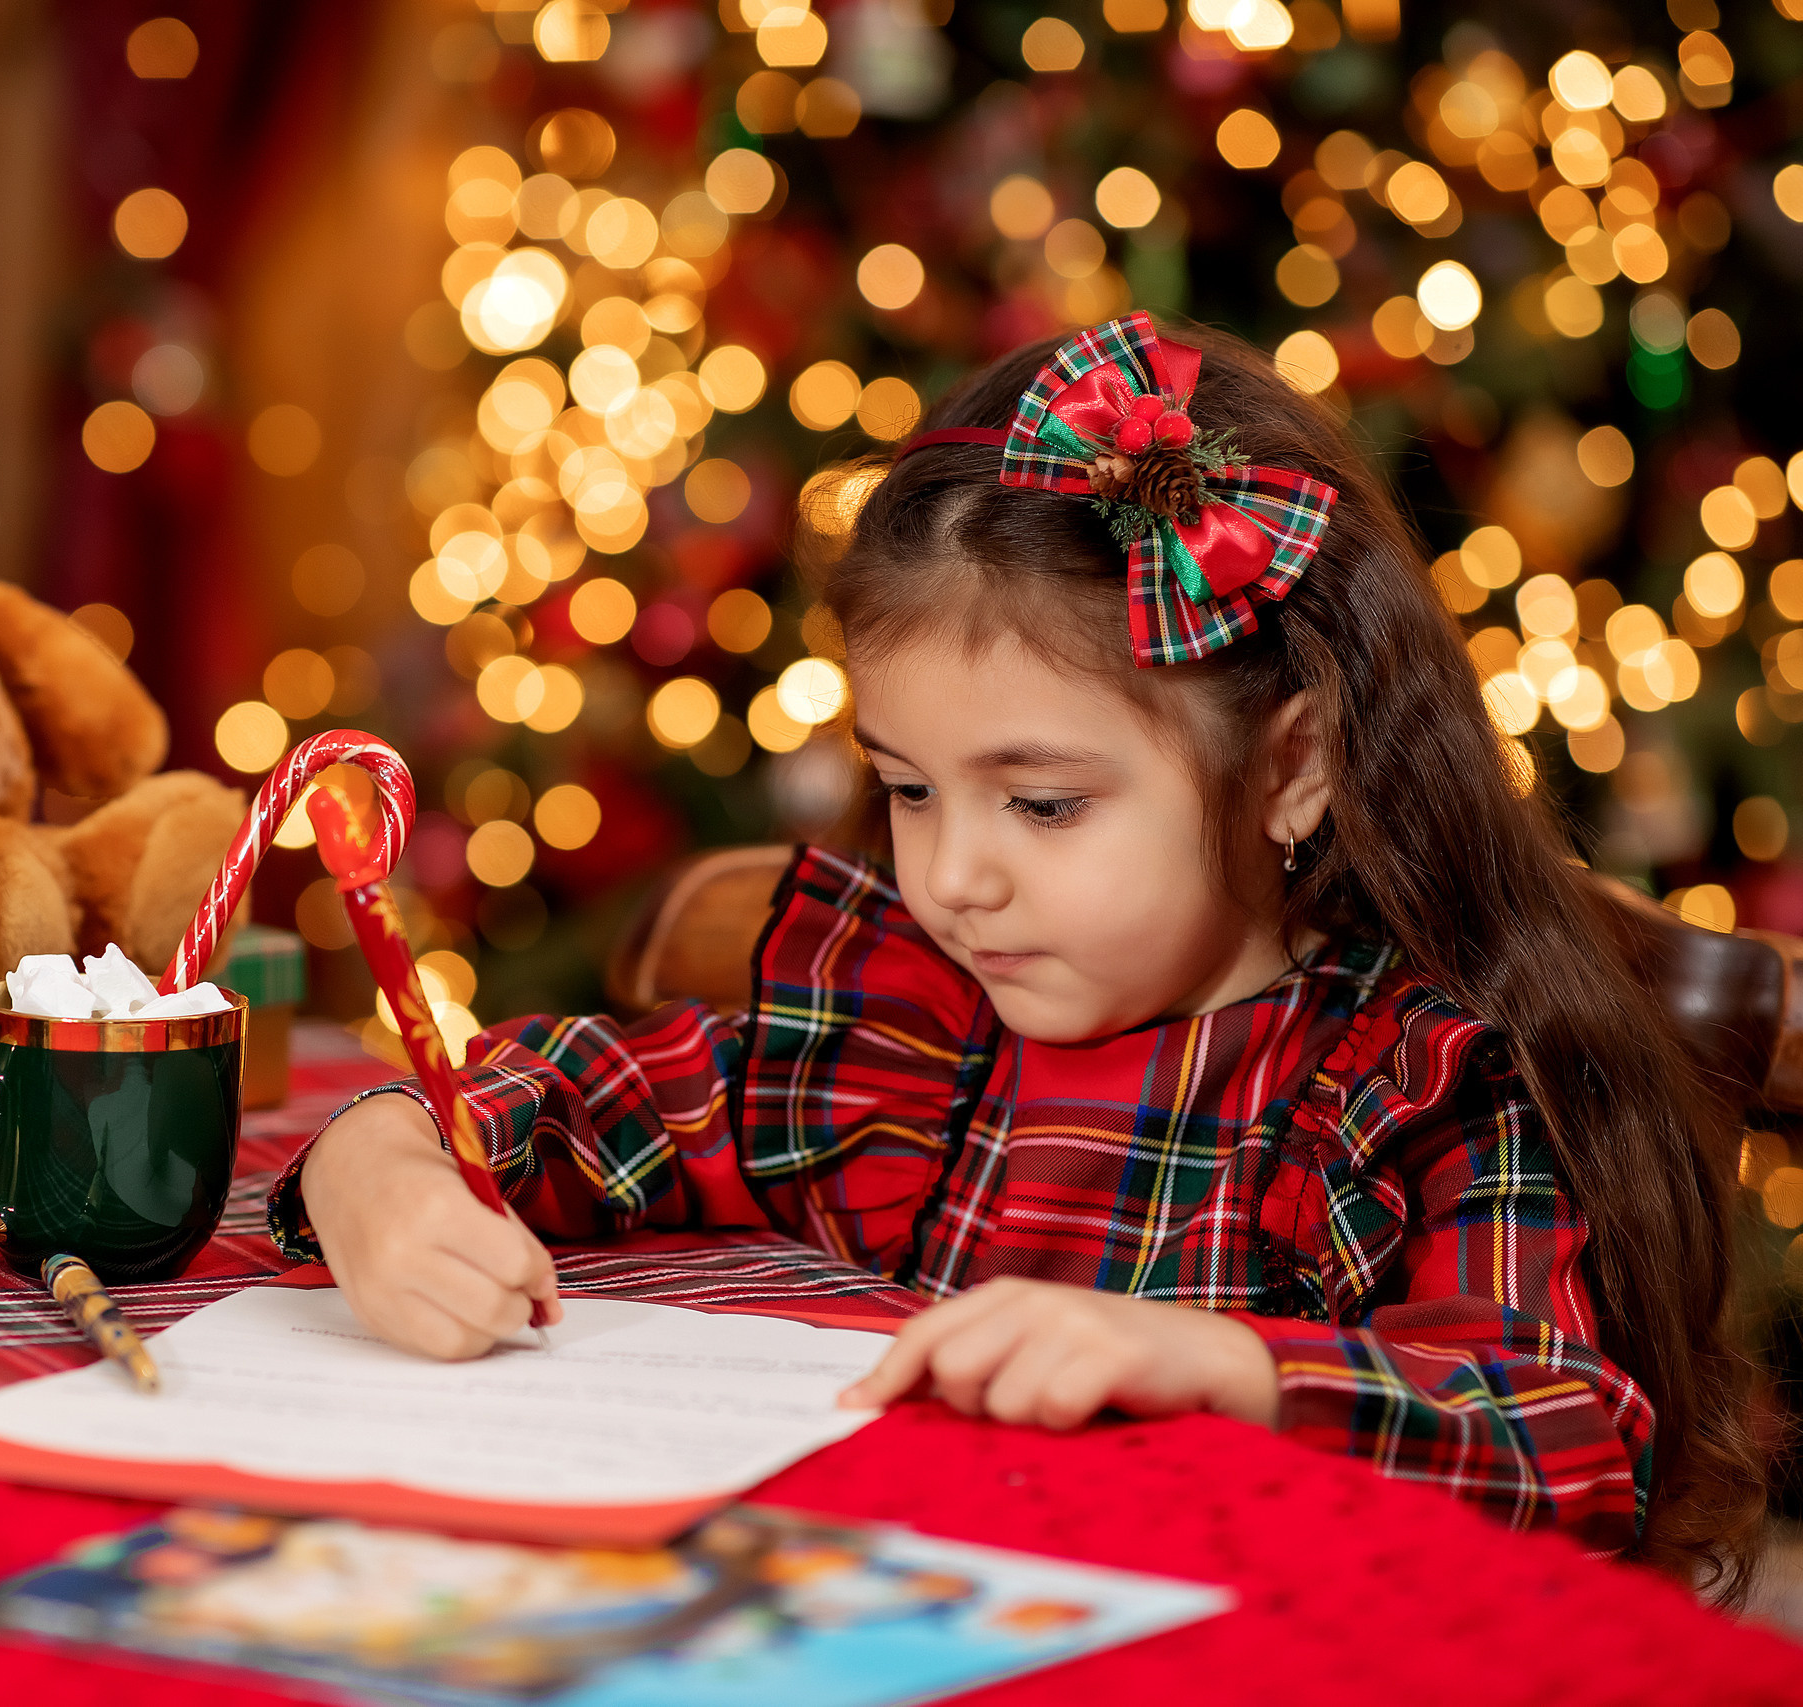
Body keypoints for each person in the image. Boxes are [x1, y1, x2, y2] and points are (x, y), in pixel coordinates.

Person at [271, 314, 1762, 1593]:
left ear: (1293, 767)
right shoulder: (904, 1035)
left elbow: (1559, 1434)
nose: (954, 878)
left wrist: (1228, 1372)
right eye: (911, 789)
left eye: (1044, 803)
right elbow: (585, 1094)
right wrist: (384, 1160)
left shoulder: (1409, 1087)